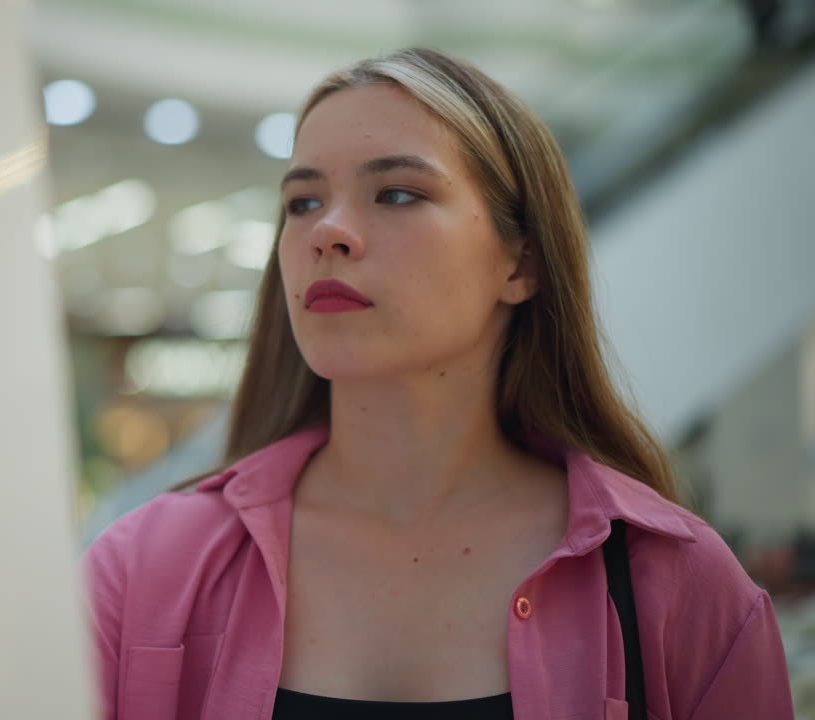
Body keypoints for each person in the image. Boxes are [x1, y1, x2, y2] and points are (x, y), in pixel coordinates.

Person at [82, 47, 793, 720]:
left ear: (521, 264)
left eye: (395, 193)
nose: (328, 231)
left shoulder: (679, 586)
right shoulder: (143, 569)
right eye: (302, 202)